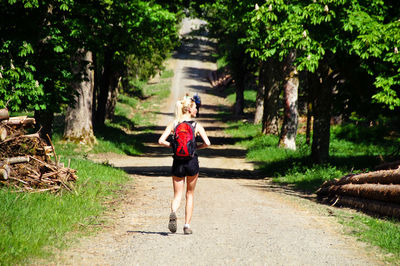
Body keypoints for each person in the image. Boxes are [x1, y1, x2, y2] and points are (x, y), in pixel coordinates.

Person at [158, 96, 211, 234]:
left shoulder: (174, 124)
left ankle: (174, 212)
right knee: (190, 194)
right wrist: (196, 147)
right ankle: (187, 226)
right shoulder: (196, 126)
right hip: (192, 162)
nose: (196, 110)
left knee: (177, 195)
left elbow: (161, 141)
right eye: (195, 108)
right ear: (189, 109)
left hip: (178, 162)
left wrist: (173, 146)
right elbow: (208, 143)